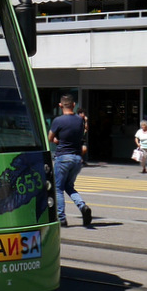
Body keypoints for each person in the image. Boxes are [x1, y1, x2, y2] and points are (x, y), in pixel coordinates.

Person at [49, 95, 92, 228]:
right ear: (73, 105)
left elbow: (50, 137)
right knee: (69, 186)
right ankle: (82, 206)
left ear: (60, 106)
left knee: (58, 188)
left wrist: (57, 140)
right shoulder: (80, 120)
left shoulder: (58, 121)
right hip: (77, 158)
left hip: (63, 157)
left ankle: (61, 218)